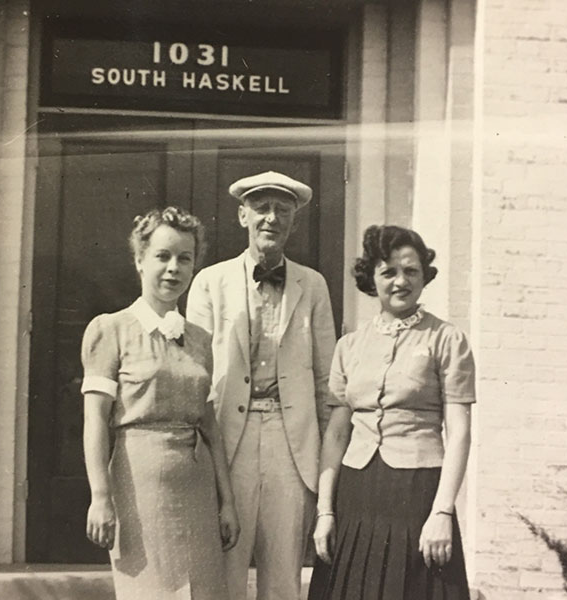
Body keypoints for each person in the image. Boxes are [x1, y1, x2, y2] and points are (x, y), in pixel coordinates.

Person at [186, 171, 337, 600]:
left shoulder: (314, 285)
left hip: (292, 446)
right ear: (242, 216)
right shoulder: (210, 282)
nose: (271, 218)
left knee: (284, 575)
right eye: (261, 208)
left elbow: (326, 380)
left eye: (282, 210)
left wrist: (325, 463)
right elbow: (195, 377)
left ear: (293, 222)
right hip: (226, 442)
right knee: (224, 569)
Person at [308, 225, 475, 600]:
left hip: (417, 493)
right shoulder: (349, 346)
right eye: (388, 272)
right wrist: (324, 511)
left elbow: (460, 433)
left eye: (410, 271)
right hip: (356, 493)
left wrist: (443, 513)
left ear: (424, 276)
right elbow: (336, 434)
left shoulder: (447, 340)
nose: (400, 281)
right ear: (371, 278)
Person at [81, 206, 239, 600]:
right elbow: (96, 420)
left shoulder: (201, 340)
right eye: (162, 256)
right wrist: (100, 497)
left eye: (184, 258)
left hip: (197, 488)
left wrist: (227, 502)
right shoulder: (111, 329)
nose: (173, 268)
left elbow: (210, 426)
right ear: (139, 260)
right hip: (139, 486)